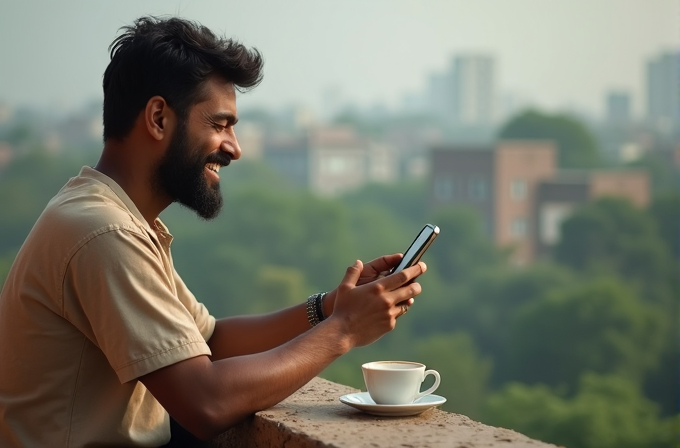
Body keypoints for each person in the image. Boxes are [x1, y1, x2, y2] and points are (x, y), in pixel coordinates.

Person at [0, 16, 426, 447]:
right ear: (159, 118)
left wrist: (332, 307)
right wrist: (345, 331)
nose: (234, 148)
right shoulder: (104, 232)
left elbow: (212, 340)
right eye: (220, 125)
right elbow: (205, 403)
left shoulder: (114, 217)